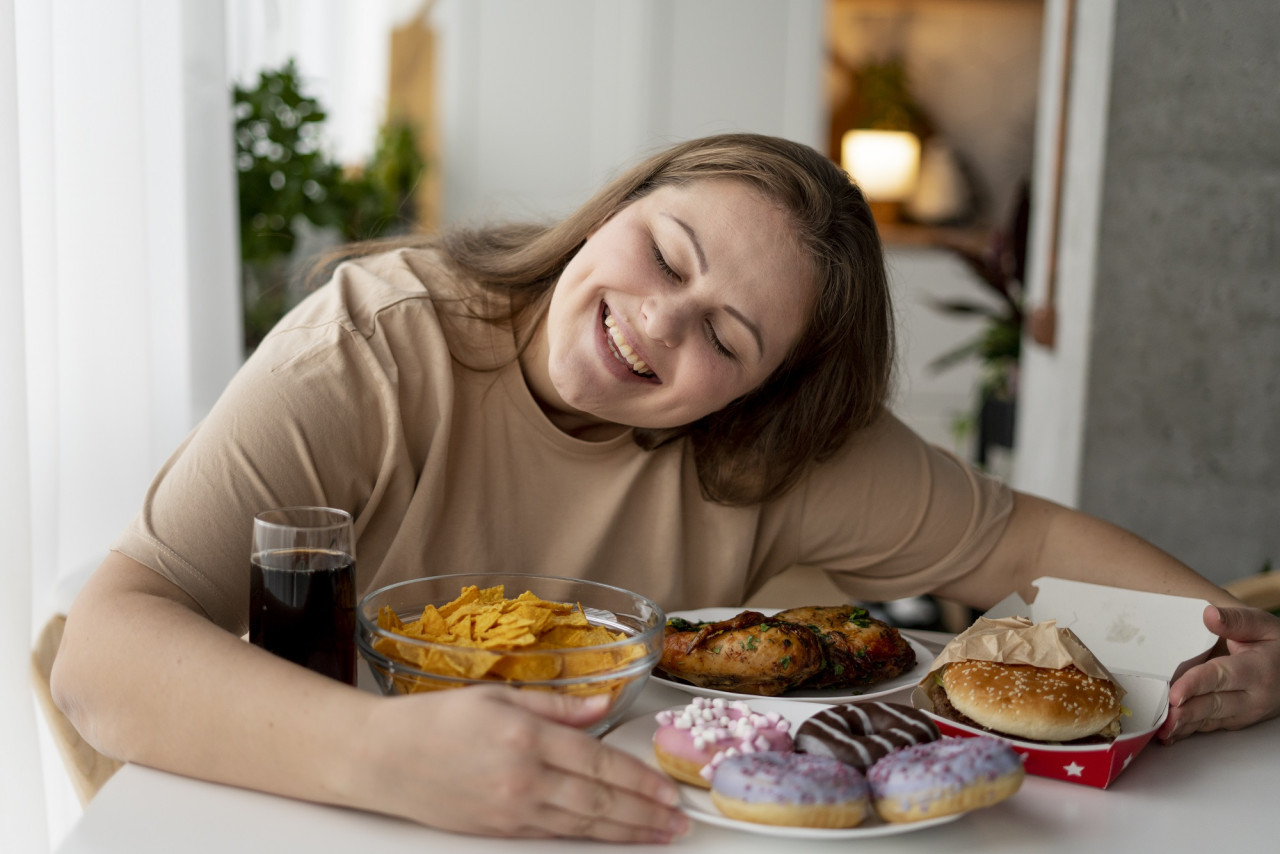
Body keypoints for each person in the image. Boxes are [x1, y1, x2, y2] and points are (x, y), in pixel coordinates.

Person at [52, 133, 1280, 842]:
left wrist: (1244, 641)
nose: (655, 320)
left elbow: (1028, 533)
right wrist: (383, 752)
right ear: (614, 210)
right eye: (665, 253)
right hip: (322, 804)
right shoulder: (375, 347)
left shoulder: (780, 449)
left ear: (754, 396)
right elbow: (99, 653)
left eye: (727, 338)